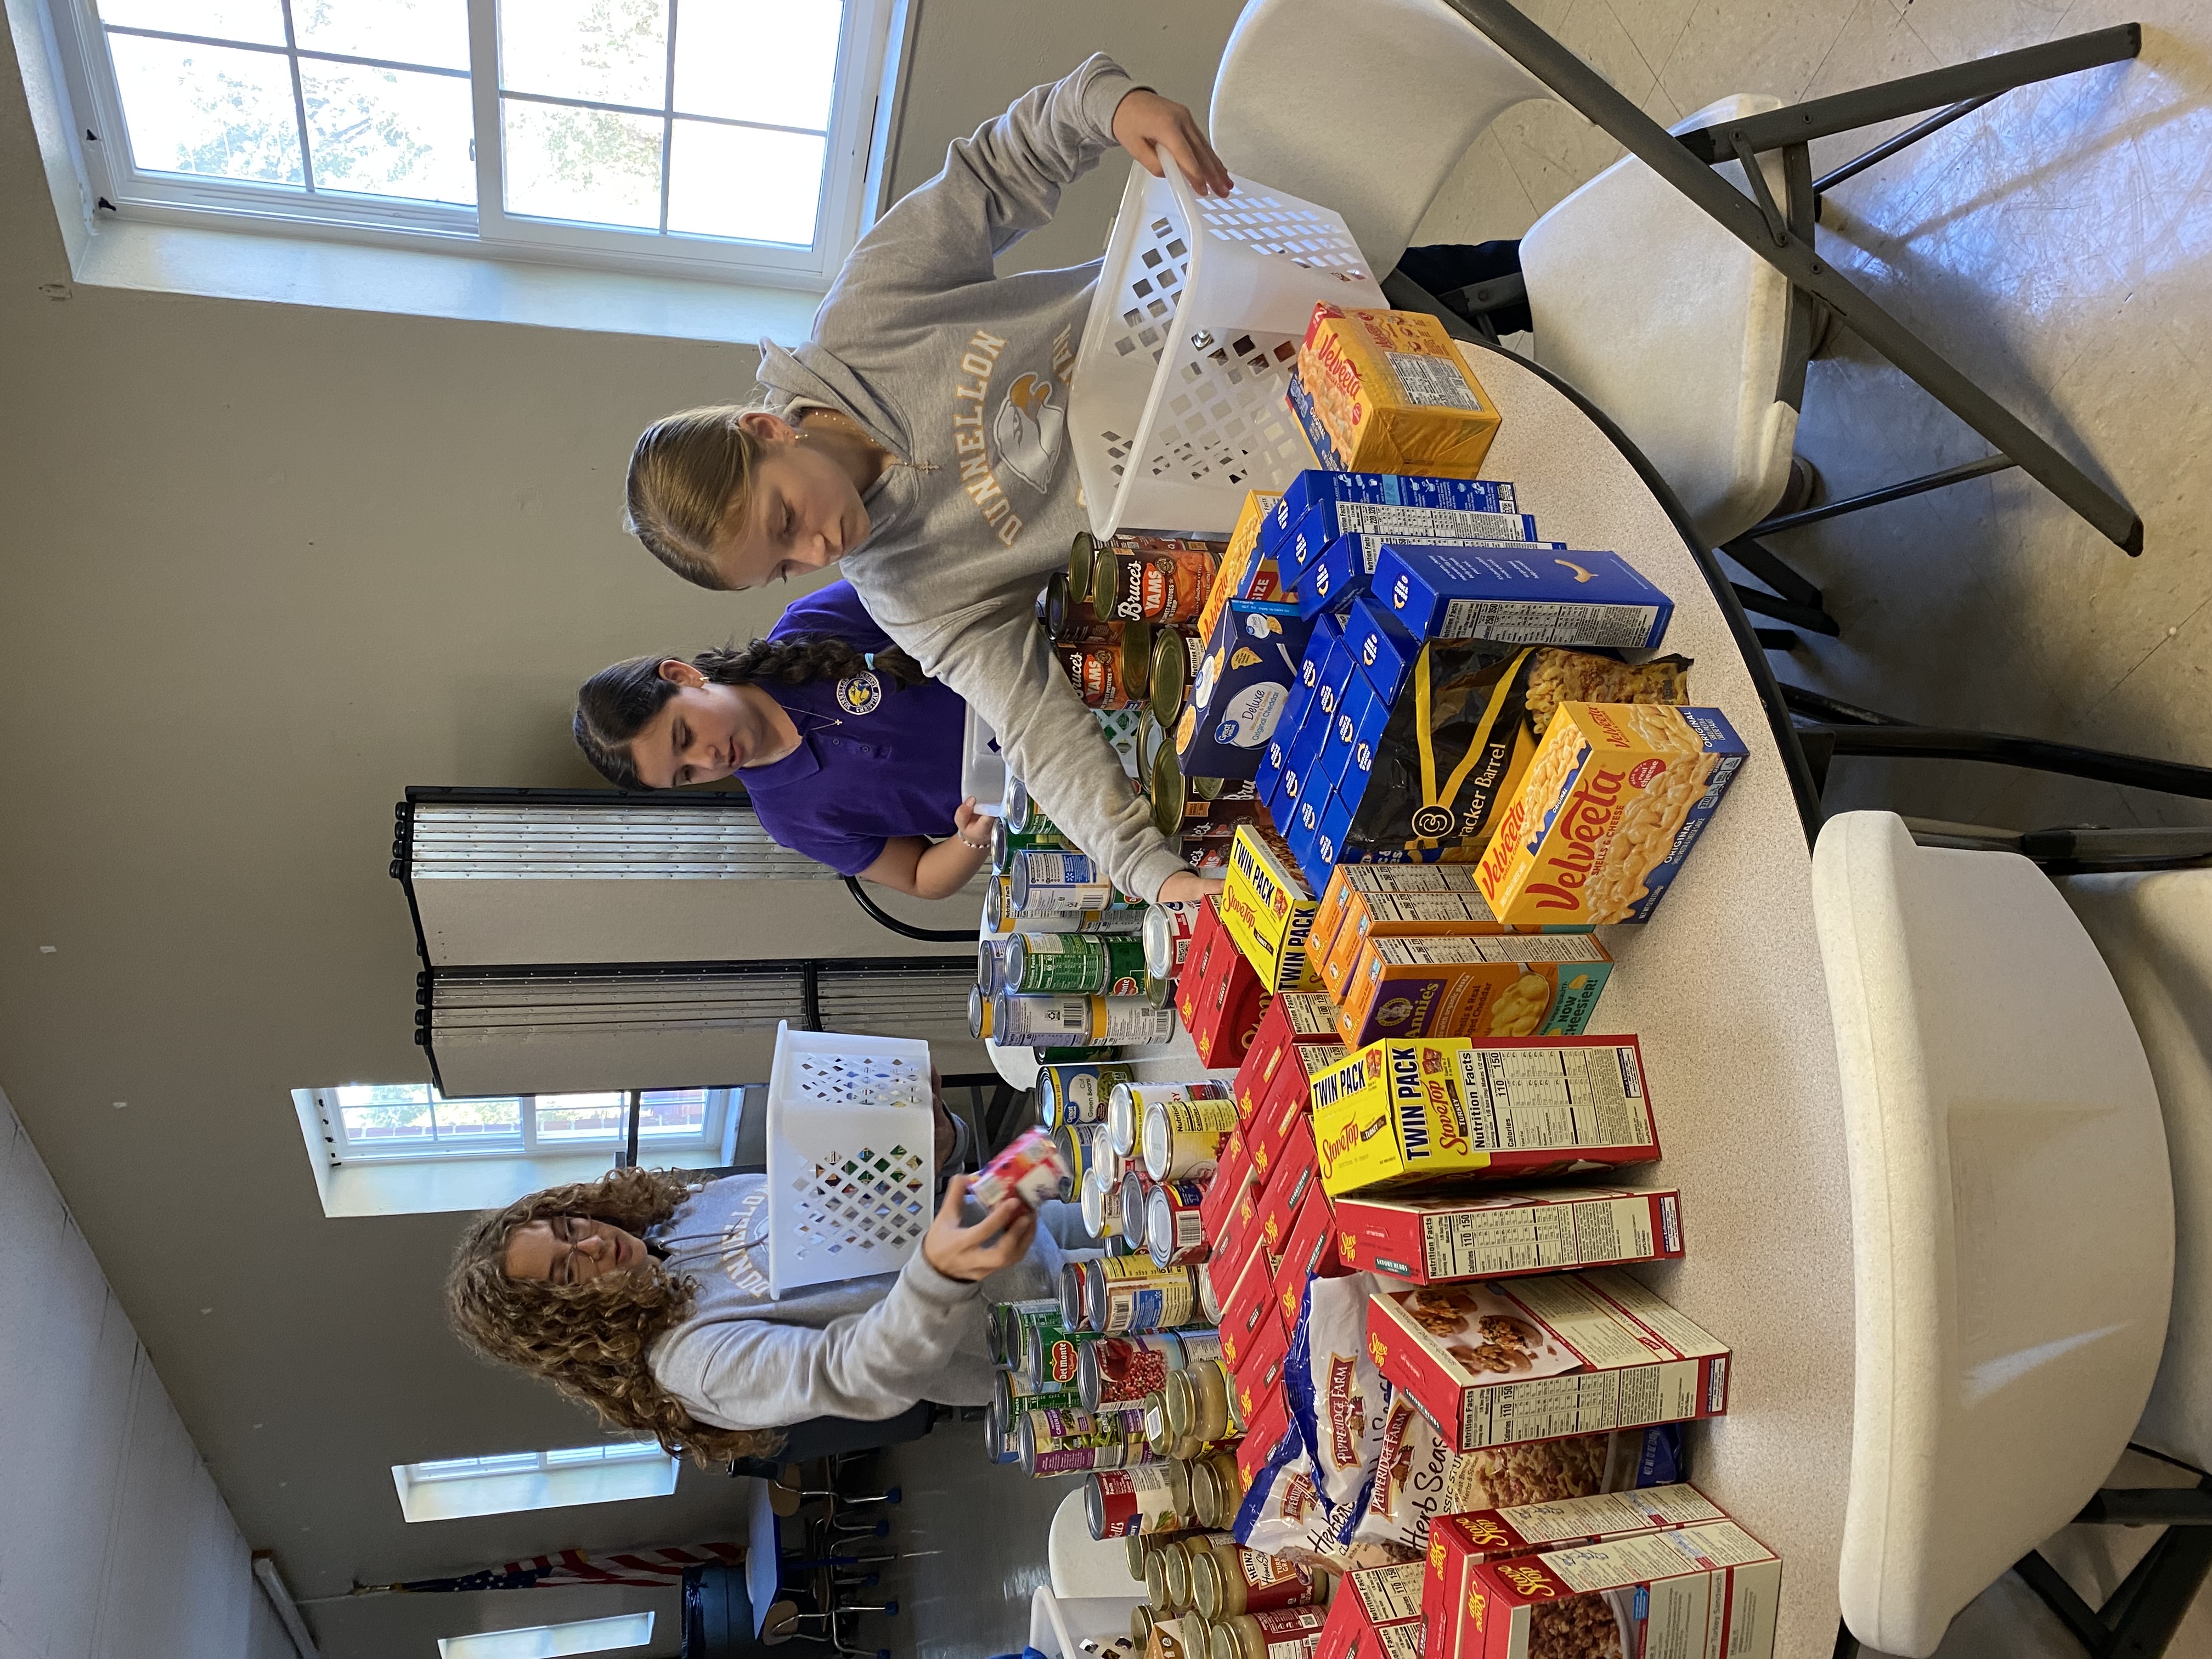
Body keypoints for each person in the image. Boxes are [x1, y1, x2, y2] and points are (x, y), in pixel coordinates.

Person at [618, 57, 1232, 910]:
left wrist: (1108, 105)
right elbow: (1033, 724)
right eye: (786, 567)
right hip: (1221, 485)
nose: (820, 550)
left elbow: (992, 174)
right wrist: (1144, 869)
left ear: (766, 429)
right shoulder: (910, 595)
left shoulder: (864, 325)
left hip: (1207, 314)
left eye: (787, 518)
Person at [446, 1151, 1071, 1462]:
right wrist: (938, 1277)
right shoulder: (689, 1364)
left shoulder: (682, 1210)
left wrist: (929, 1142)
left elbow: (872, 1205)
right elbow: (854, 1375)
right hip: (1052, 1331)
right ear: (566, 1323)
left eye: (568, 1226)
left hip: (1037, 1223)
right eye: (567, 1271)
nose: (590, 1244)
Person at [573, 579, 991, 901]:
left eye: (685, 736)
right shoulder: (789, 817)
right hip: (1021, 790)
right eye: (686, 774)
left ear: (682, 676)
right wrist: (971, 837)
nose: (708, 760)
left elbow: (944, 584)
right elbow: (918, 876)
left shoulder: (811, 623)